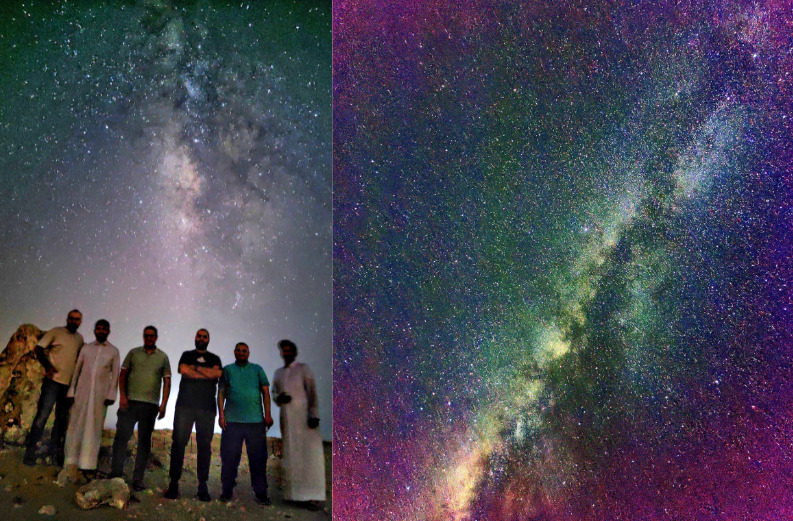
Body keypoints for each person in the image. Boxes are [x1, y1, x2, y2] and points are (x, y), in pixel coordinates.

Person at [109, 325, 171, 491]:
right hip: (130, 402)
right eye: (146, 336)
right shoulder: (133, 353)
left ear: (156, 337)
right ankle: (116, 473)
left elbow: (167, 381)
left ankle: (138, 479)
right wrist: (122, 397)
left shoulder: (163, 357)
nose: (149, 338)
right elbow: (122, 375)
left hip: (150, 405)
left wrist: (163, 404)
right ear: (143, 337)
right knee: (121, 437)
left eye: (152, 336)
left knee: (144, 443)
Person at [164, 328, 222, 502]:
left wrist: (195, 370)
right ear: (195, 338)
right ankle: (174, 484)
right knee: (178, 444)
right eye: (199, 336)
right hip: (185, 406)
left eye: (205, 336)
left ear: (209, 339)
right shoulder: (186, 355)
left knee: (204, 447)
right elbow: (183, 369)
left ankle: (202, 486)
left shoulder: (215, 358)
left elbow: (217, 374)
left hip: (207, 409)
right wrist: (205, 372)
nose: (201, 338)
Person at [24, 309, 85, 467]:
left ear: (80, 322)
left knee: (61, 420)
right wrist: (48, 367)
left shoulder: (79, 339)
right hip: (53, 382)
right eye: (71, 318)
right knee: (42, 416)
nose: (74, 321)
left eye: (77, 319)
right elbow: (38, 348)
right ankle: (30, 453)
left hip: (68, 385)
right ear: (67, 319)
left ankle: (54, 453)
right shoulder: (56, 332)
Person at [217, 342, 273, 505]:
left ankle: (261, 494)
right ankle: (226, 492)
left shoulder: (257, 370)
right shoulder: (227, 370)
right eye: (239, 351)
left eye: (244, 351)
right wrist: (221, 415)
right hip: (232, 421)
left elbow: (265, 392)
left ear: (248, 353)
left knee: (258, 460)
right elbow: (220, 393)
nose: (241, 353)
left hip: (255, 421)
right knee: (229, 458)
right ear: (234, 352)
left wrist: (267, 414)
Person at [63, 319, 120, 477]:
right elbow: (77, 370)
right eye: (98, 328)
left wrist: (111, 394)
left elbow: (115, 375)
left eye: (104, 329)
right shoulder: (86, 349)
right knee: (76, 424)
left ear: (108, 331)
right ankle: (71, 460)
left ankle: (88, 464)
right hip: (81, 393)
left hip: (100, 396)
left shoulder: (113, 351)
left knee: (94, 428)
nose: (101, 331)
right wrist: (71, 391)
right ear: (95, 330)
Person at [272, 339, 325, 505]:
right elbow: (274, 392)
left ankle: (313, 496)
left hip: (305, 419)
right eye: (283, 351)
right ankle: (293, 495)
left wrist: (313, 414)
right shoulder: (278, 373)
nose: (286, 353)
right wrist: (279, 397)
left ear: (294, 352)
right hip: (287, 419)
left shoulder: (303, 369)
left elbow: (312, 392)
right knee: (291, 454)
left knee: (309, 454)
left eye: (289, 350)